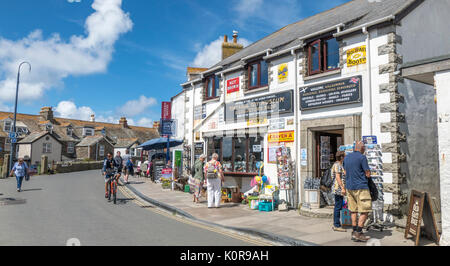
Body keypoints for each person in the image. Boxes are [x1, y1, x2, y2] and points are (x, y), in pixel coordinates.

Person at [343, 141, 372, 242]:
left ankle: (354, 231)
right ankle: (358, 233)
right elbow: (367, 173)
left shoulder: (346, 157)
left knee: (353, 210)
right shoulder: (362, 157)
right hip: (361, 187)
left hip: (349, 187)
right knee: (365, 210)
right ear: (362, 148)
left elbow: (345, 171)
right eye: (364, 148)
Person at [331, 151, 347, 232]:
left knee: (339, 206)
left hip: (339, 188)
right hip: (338, 189)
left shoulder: (340, 165)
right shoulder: (337, 165)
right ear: (341, 157)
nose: (345, 157)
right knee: (338, 206)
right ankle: (336, 225)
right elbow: (338, 177)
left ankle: (337, 223)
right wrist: (342, 188)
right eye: (344, 156)